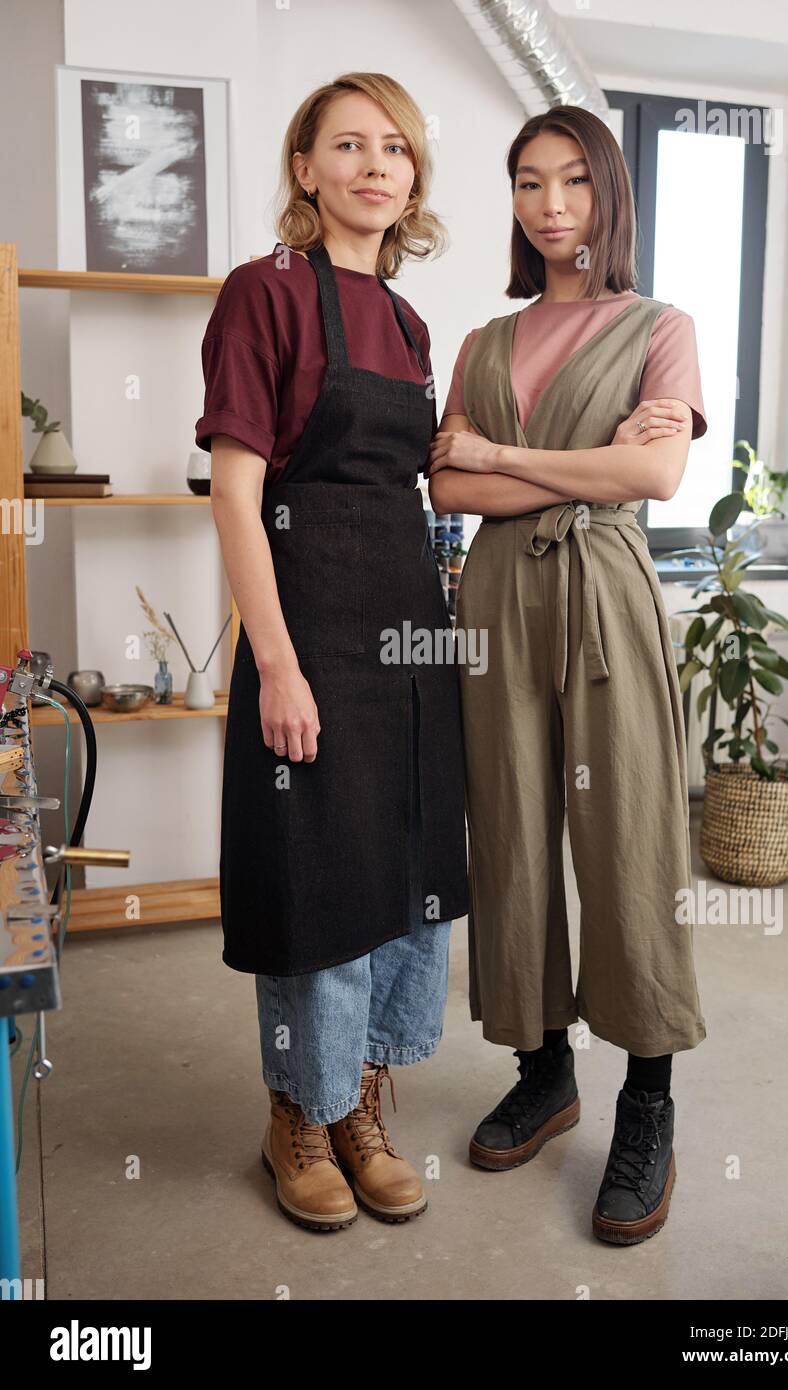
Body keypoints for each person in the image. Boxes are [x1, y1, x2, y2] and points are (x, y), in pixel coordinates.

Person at [428, 105, 707, 1246]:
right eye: (528, 183)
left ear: (609, 197)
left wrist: (504, 457)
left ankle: (649, 1100)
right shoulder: (482, 346)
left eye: (573, 183)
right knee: (510, 826)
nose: (550, 205)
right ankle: (544, 1069)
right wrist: (562, 471)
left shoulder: (661, 325)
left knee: (629, 834)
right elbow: (448, 490)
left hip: (606, 596)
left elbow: (657, 470)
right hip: (495, 601)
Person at [195, 72, 468, 1232]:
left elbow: (438, 478)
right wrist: (279, 661)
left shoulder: (409, 324)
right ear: (306, 169)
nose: (375, 165)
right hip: (307, 620)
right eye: (346, 145)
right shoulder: (261, 294)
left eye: (395, 148)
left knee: (402, 866)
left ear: (412, 181)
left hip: (409, 630)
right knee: (317, 871)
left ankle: (362, 1097)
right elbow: (235, 495)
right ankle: (297, 1115)